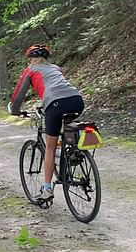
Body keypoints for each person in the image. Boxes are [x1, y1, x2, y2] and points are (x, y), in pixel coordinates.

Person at [8, 44, 84, 201]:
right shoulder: (56, 68)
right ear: (46, 58)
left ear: (30, 59)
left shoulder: (30, 70)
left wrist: (15, 110)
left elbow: (18, 96)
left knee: (49, 147)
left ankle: (47, 189)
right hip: (77, 100)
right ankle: (73, 151)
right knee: (66, 124)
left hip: (55, 103)